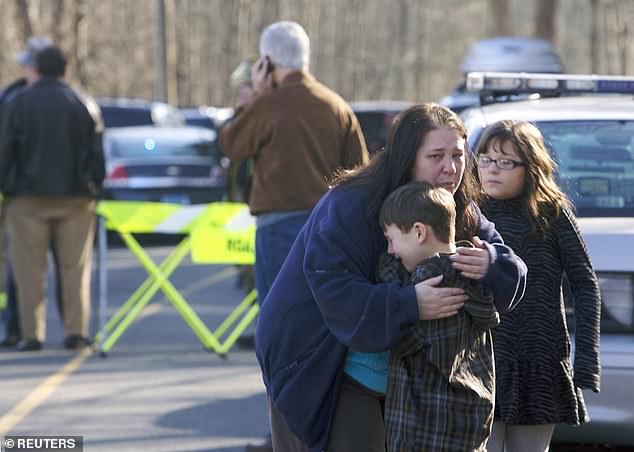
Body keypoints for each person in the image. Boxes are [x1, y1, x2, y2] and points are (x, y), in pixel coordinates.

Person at [255, 103, 527, 452]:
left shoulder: (455, 206)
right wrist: (409, 304)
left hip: (394, 374)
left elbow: (513, 270)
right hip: (313, 358)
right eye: (436, 156)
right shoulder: (351, 203)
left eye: (458, 154)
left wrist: (491, 262)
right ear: (407, 157)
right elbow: (334, 289)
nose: (451, 168)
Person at [217, 21, 368, 451]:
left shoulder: (268, 105)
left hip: (279, 231)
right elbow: (359, 173)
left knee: (280, 336)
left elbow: (230, 144)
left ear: (267, 62)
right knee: (330, 333)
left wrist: (258, 98)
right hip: (332, 230)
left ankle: (282, 434)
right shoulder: (336, 105)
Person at [475, 120, 601, 452]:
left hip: (540, 361)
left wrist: (586, 359)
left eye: (505, 162)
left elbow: (585, 284)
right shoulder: (470, 214)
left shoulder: (552, 214)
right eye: (485, 159)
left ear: (531, 167)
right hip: (483, 359)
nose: (492, 170)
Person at [368, 181, 499, 451]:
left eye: (391, 240)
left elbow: (400, 341)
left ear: (419, 233)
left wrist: (393, 293)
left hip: (426, 431)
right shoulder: (473, 275)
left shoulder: (432, 280)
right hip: (469, 425)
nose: (390, 251)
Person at [0, 45, 105, 352]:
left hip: (27, 199)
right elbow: (96, 153)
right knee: (75, 268)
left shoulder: (17, 102)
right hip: (76, 200)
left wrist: (9, 187)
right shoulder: (83, 102)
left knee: (28, 270)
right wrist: (93, 186)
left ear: (35, 69)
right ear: (65, 70)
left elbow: (5, 150)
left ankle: (31, 334)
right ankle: (76, 332)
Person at [0, 35, 65, 348]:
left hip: (57, 196)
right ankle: (14, 327)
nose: (25, 69)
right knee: (18, 269)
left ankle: (71, 332)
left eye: (29, 64)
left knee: (63, 269)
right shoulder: (10, 97)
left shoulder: (70, 100)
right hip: (18, 196)